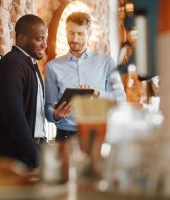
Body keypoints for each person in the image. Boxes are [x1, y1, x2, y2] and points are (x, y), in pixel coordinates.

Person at [45, 12, 126, 142]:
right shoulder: (52, 67)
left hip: (98, 136)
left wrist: (98, 93)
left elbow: (120, 100)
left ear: (90, 33)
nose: (75, 39)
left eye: (80, 34)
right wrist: (56, 115)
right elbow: (48, 108)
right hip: (65, 138)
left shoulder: (106, 63)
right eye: (71, 33)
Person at [0, 14, 47, 169]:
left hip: (29, 149)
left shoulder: (28, 64)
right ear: (21, 38)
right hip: (15, 153)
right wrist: (35, 156)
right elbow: (15, 116)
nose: (45, 44)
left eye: (45, 39)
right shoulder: (12, 64)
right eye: (39, 39)